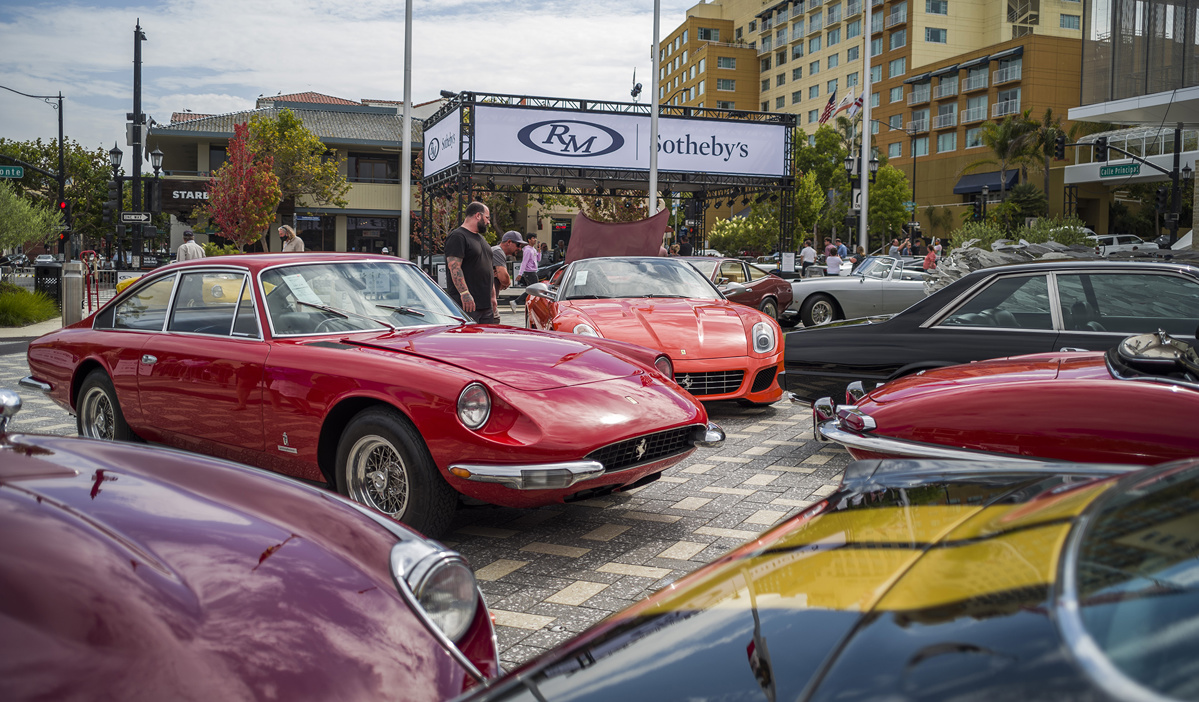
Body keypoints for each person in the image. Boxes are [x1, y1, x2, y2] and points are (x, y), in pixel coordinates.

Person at [444, 201, 494, 322]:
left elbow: (488, 267)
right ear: (478, 215)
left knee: (487, 339)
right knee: (470, 339)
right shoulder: (458, 236)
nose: (488, 222)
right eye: (487, 218)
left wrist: (492, 296)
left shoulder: (481, 239)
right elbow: (454, 267)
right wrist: (464, 293)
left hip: (485, 305)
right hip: (468, 305)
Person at [495, 231, 524, 315]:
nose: (519, 249)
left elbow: (503, 280)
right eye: (518, 245)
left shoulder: (499, 252)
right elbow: (504, 279)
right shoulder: (497, 252)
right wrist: (505, 280)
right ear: (509, 242)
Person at [513, 233, 541, 306]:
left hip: (533, 272)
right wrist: (520, 273)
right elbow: (524, 262)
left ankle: (518, 302)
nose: (535, 240)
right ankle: (516, 302)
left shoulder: (533, 249)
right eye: (533, 238)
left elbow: (538, 259)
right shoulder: (528, 250)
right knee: (535, 290)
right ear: (529, 240)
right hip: (529, 272)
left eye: (535, 238)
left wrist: (539, 251)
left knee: (532, 290)